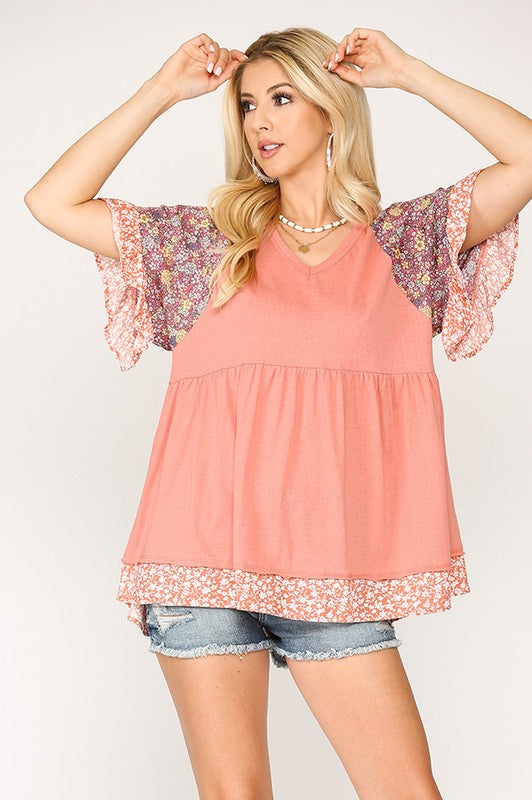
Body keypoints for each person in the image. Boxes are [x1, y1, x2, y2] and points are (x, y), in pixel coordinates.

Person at [24, 24, 529, 800]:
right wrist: (161, 91)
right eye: (248, 104)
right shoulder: (204, 245)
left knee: (406, 790)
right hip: (198, 564)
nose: (260, 120)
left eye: (283, 99)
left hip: (334, 571)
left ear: (332, 108)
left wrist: (410, 72)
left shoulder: (406, 245)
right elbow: (49, 200)